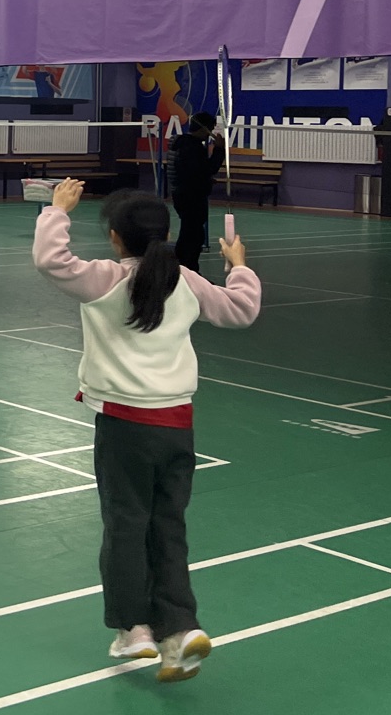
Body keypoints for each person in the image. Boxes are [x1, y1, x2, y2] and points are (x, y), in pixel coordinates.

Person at [34, 181, 260, 683]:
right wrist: (239, 266)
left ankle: (133, 628)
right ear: (167, 233)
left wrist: (57, 210)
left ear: (115, 238)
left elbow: (51, 260)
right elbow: (242, 309)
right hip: (178, 426)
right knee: (167, 528)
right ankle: (179, 630)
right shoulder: (186, 280)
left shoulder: (104, 278)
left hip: (124, 427)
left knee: (126, 525)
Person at [169, 112, 225, 272]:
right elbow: (207, 169)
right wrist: (219, 150)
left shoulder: (180, 143)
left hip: (181, 193)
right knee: (193, 236)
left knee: (189, 233)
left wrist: (205, 180)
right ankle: (189, 270)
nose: (211, 133)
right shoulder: (192, 147)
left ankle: (184, 269)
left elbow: (192, 172)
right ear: (204, 129)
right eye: (211, 129)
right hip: (191, 197)